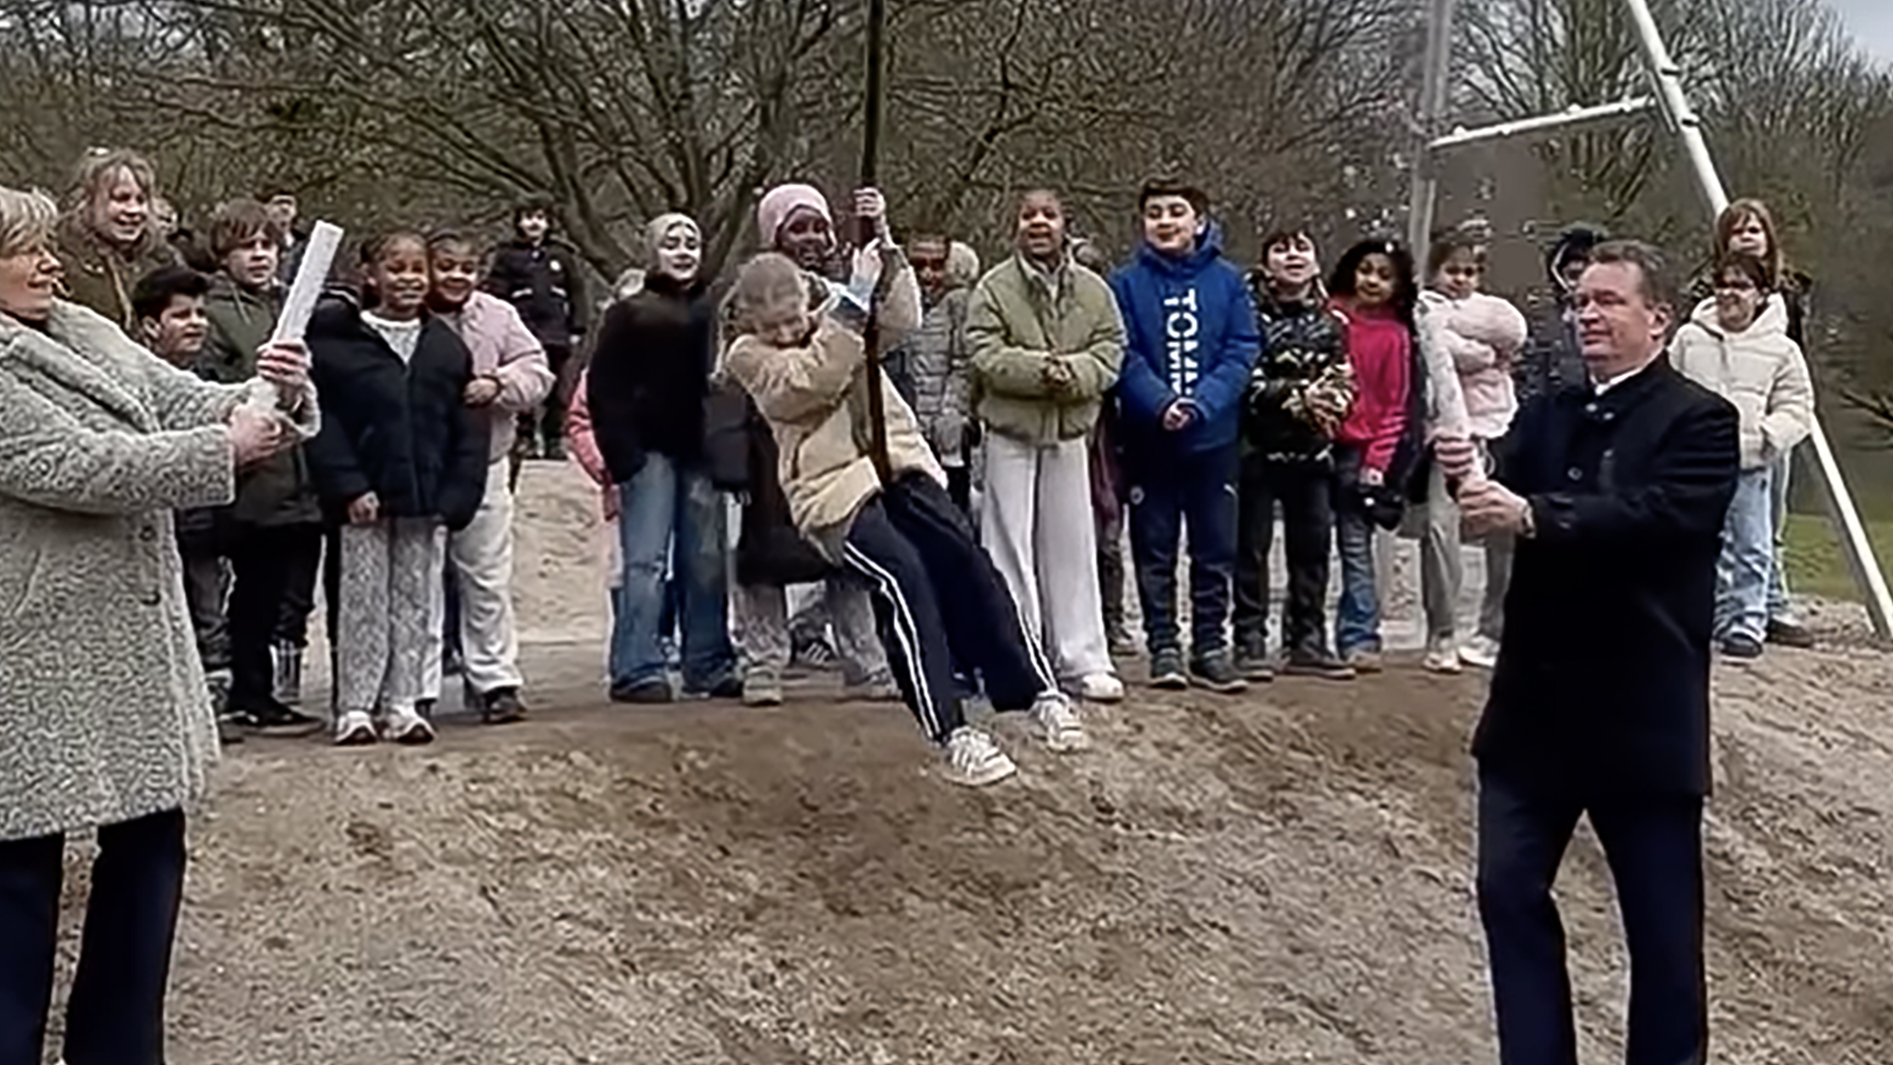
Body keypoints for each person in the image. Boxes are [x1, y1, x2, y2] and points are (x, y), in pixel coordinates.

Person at [0, 183, 314, 1065]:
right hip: (29, 651)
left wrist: (266, 394)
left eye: (46, 244)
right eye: (25, 249)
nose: (49, 262)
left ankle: (120, 1048)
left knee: (148, 841)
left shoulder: (84, 329)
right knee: (18, 871)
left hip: (127, 648)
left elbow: (180, 399)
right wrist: (226, 450)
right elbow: (69, 463)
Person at [1453, 240, 1737, 1065]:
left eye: (1607, 300)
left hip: (1638, 720)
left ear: (1657, 316)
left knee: (1661, 937)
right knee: (1506, 894)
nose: (1586, 314)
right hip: (1530, 721)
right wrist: (1462, 473)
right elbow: (1496, 479)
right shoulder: (1546, 413)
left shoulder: (1699, 420)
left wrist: (1537, 514)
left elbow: (1661, 517)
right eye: (1578, 301)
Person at [724, 252, 1084, 784]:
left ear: (807, 299)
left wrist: (885, 256)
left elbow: (899, 321)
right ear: (750, 322)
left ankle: (1036, 690)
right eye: (772, 326)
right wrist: (849, 307)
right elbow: (811, 381)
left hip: (896, 461)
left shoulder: (837, 313)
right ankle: (950, 729)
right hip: (833, 492)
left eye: (793, 318)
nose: (785, 332)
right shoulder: (748, 356)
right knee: (901, 574)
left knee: (966, 560)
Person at [306, 231, 490, 746]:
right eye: (396, 268)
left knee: (415, 599)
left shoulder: (446, 349)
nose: (408, 279)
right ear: (371, 275)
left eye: (417, 269)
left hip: (423, 499)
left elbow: (465, 430)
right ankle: (355, 706)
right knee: (362, 601)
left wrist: (455, 498)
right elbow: (324, 423)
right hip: (364, 499)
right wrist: (349, 486)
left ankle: (404, 702)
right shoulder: (339, 344)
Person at [717, 183, 893, 707]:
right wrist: (729, 461)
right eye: (799, 228)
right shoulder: (741, 307)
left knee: (847, 555)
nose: (812, 238)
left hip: (834, 444)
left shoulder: (836, 296)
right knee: (761, 561)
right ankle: (763, 664)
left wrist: (879, 234)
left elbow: (879, 333)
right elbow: (727, 391)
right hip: (764, 448)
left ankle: (865, 661)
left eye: (819, 226)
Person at [966, 189, 1126, 703]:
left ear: (1065, 224)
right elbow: (983, 351)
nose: (1039, 223)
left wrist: (1074, 374)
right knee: (1007, 543)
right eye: (1028, 215)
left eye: (1048, 215)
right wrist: (1040, 371)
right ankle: (1016, 655)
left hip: (1069, 430)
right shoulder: (993, 287)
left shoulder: (1095, 291)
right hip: (1011, 429)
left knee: (1072, 544)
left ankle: (1081, 659)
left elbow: (1110, 349)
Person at [1108, 178, 1260, 692]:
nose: (1165, 221)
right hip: (1150, 439)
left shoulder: (1229, 281)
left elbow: (1241, 349)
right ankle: (1163, 646)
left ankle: (1210, 645)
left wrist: (1200, 403)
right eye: (1154, 213)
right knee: (1154, 545)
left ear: (1199, 221)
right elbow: (1122, 352)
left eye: (1176, 211)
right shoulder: (1124, 283)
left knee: (1214, 545)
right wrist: (1160, 402)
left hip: (1213, 440)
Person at [586, 213, 739, 702]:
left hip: (701, 449)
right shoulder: (629, 313)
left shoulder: (712, 310)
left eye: (691, 242)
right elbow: (603, 388)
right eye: (670, 242)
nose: (682, 251)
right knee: (646, 562)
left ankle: (708, 661)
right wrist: (622, 453)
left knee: (706, 559)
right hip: (647, 451)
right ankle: (636, 665)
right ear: (652, 251)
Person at [195, 199, 328, 736]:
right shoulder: (214, 311)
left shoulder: (292, 305)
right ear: (223, 254)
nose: (259, 256)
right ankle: (244, 692)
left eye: (267, 245)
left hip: (294, 475)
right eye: (246, 246)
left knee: (276, 593)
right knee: (238, 596)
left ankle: (264, 692)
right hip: (245, 478)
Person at [426, 229, 555, 719]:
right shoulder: (409, 314)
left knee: (486, 577)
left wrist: (497, 384)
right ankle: (417, 685)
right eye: (446, 265)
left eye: (467, 267)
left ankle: (495, 679)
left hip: (487, 461)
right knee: (421, 579)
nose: (457, 276)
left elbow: (537, 370)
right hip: (424, 467)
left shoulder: (499, 316)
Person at [1669, 253, 1814, 659]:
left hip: (1749, 463)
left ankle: (1747, 622)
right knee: (1693, 543)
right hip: (1695, 464)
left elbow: (1797, 405)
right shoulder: (1688, 339)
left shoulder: (1781, 350)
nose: (1730, 294)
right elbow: (1666, 388)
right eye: (1724, 284)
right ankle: (1699, 616)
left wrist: (1767, 438)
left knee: (1752, 545)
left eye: (1741, 286)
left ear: (1761, 293)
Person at [1235, 227, 1357, 681]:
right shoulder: (1245, 315)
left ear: (1316, 261)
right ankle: (1249, 639)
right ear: (1266, 263)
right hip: (1257, 448)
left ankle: (1306, 639)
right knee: (1251, 549)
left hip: (1313, 452)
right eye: (1281, 249)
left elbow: (1344, 379)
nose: (1292, 256)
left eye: (1301, 248)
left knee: (1313, 550)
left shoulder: (1333, 323)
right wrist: (1299, 396)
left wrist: (1332, 402)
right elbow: (1247, 379)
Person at [131, 264, 245, 746]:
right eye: (181, 315)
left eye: (201, 313)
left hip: (207, 524)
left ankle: (209, 709)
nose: (196, 323)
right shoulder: (129, 380)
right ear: (151, 325)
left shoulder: (213, 380)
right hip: (153, 526)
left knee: (210, 612)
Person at [1419, 231, 1526, 673]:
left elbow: (1513, 331)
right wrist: (1482, 351)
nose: (1460, 280)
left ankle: (1491, 630)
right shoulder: (1424, 307)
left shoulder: (1492, 309)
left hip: (1498, 426)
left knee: (1505, 533)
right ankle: (1441, 632)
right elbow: (1439, 344)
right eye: (1452, 270)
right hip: (1447, 433)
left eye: (1469, 272)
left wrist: (1472, 339)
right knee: (1440, 530)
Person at [1711, 199, 1815, 649]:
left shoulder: (1785, 296)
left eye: (1755, 229)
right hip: (1718, 432)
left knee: (1764, 522)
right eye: (1739, 230)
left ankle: (1769, 605)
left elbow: (1792, 369)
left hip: (1765, 423)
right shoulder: (1707, 302)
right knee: (1719, 531)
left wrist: (1772, 431)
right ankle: (1725, 610)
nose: (1748, 236)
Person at [1326, 238, 1419, 673]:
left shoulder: (1395, 336)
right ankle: (1301, 634)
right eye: (1366, 270)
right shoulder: (1329, 316)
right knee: (1305, 547)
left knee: (1355, 546)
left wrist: (1377, 463)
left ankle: (1360, 635)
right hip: (1312, 442)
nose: (1372, 281)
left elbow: (1395, 406)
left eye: (1384, 276)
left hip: (1359, 452)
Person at [486, 195, 587, 461]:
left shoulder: (562, 255)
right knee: (523, 384)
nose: (534, 224)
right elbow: (496, 292)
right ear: (519, 222)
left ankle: (554, 438)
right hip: (521, 328)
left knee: (556, 387)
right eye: (528, 218)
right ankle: (525, 438)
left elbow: (576, 291)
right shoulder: (507, 255)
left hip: (556, 330)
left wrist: (578, 326)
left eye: (540, 218)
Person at [886, 230, 975, 510]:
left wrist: (950, 414)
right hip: (905, 430)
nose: (927, 274)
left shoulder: (960, 303)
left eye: (936, 265)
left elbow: (965, 364)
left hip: (944, 432)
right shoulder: (896, 303)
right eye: (918, 265)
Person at [54, 148, 181, 331]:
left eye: (141, 200)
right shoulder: (60, 260)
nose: (133, 210)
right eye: (121, 199)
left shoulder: (165, 264)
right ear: (88, 200)